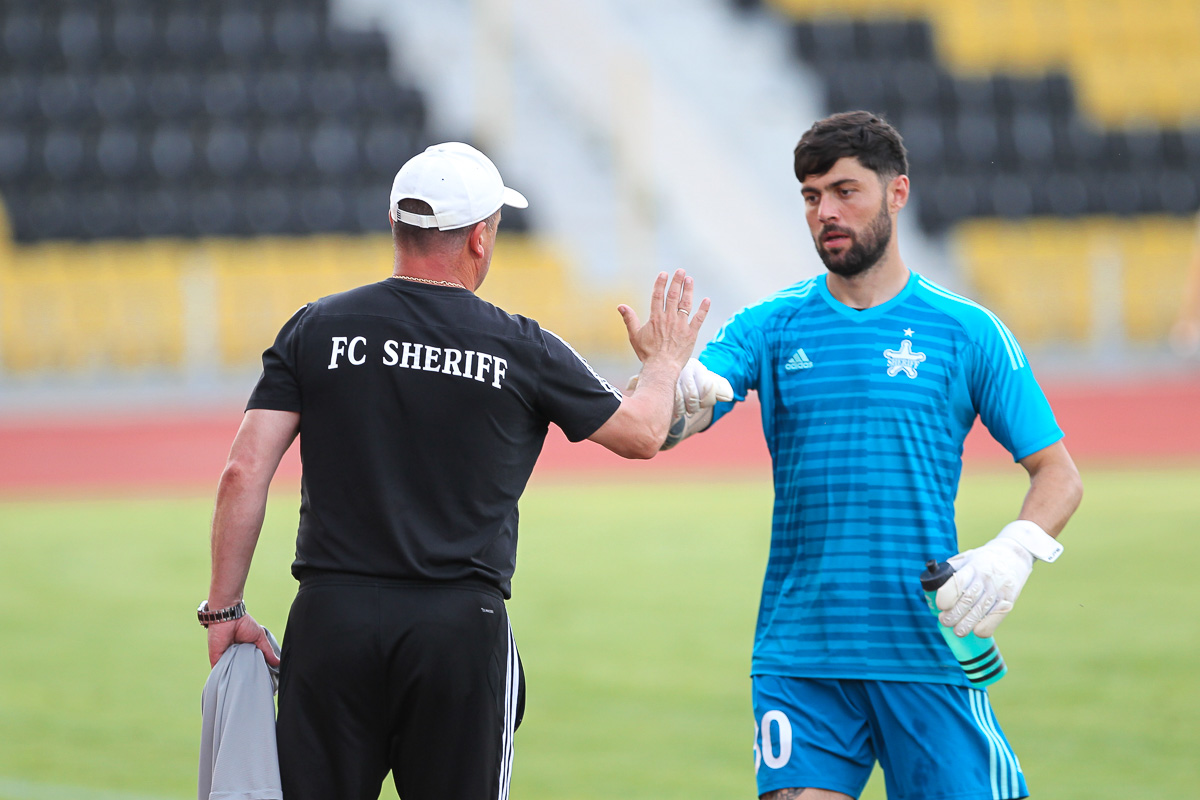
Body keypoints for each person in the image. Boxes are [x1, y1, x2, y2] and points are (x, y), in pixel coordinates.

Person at [198, 141, 711, 800]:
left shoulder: (316, 328)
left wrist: (224, 610)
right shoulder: (522, 346)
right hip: (458, 631)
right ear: (479, 237)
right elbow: (641, 434)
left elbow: (243, 471)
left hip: (332, 622)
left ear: (395, 224)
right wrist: (664, 364)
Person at [659, 112, 1083, 800]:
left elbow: (1058, 474)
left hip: (924, 650)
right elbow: (689, 407)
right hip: (802, 653)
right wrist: (672, 386)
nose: (824, 211)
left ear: (897, 192)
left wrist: (1015, 550)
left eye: (844, 191)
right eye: (810, 196)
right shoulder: (770, 325)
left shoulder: (967, 331)